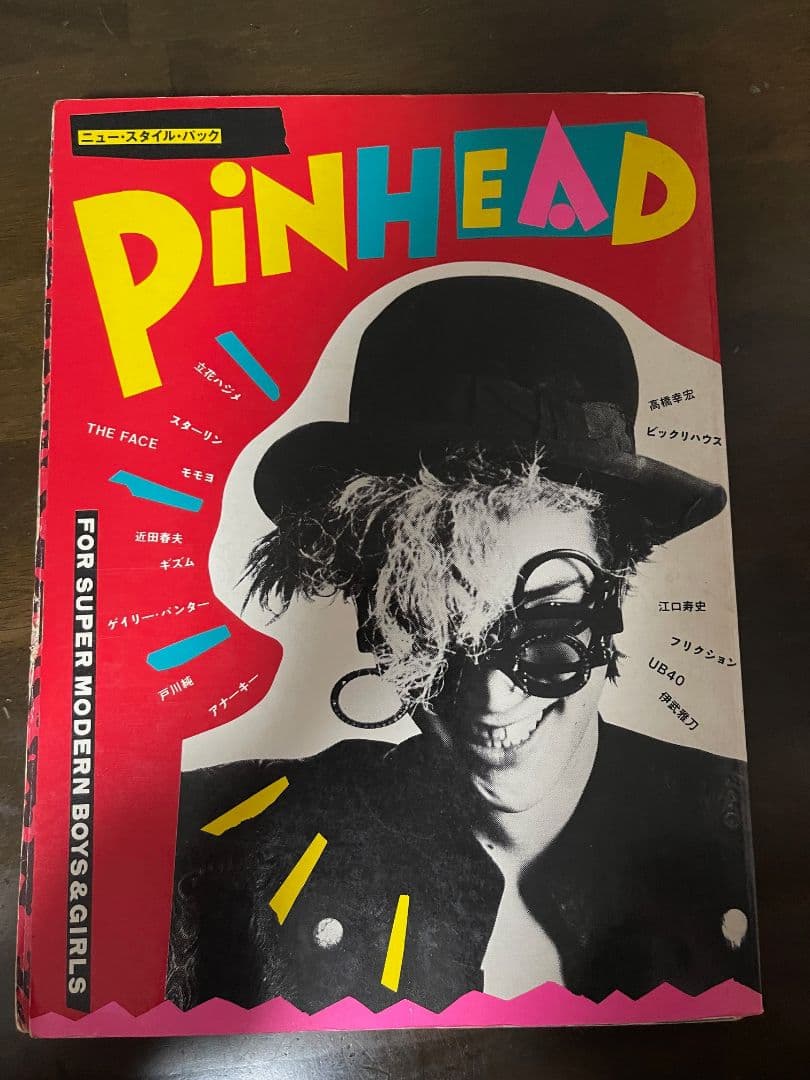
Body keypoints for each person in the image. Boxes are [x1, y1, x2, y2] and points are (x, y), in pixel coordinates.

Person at [167, 276, 759, 1013]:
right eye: (435, 624)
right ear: (374, 613)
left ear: (613, 598)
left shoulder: (747, 832)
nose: (489, 694)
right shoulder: (233, 850)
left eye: (546, 622)